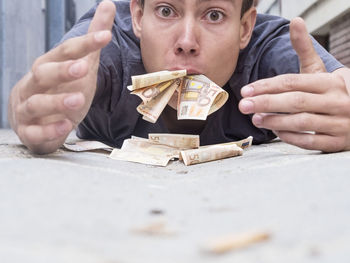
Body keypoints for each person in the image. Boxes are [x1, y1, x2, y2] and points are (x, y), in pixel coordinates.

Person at [8, 0, 350, 154]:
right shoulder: (103, 44)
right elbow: (42, 91)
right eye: (166, 10)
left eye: (214, 14)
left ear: (244, 28)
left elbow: (341, 87)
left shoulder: (272, 51)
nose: (187, 42)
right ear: (138, 17)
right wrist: (29, 110)